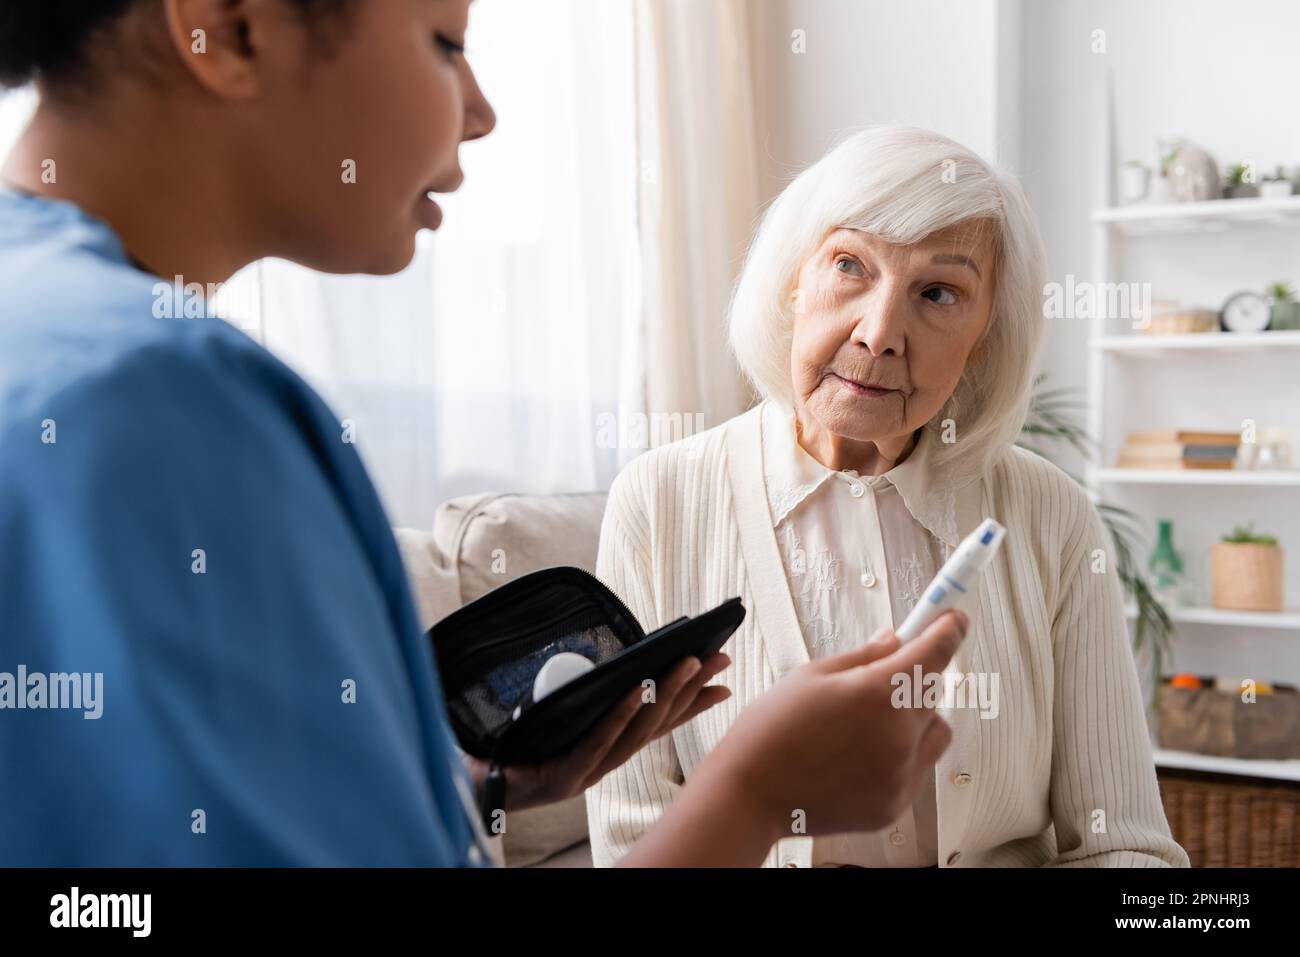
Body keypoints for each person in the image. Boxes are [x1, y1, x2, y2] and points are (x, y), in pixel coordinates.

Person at [0, 0, 966, 868]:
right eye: (444, 43)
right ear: (235, 26)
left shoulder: (48, 328)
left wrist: (469, 790)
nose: (481, 110)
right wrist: (759, 792)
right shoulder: (167, 397)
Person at [588, 126, 1188, 868]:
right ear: (792, 283)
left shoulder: (1053, 516)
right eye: (849, 265)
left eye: (938, 293)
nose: (878, 335)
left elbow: (1126, 847)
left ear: (985, 337)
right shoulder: (658, 502)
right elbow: (630, 843)